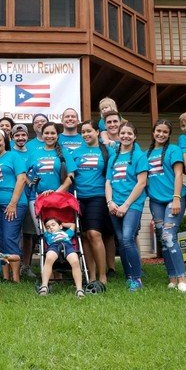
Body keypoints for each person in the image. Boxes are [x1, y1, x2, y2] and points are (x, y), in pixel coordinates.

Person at [146, 119, 186, 292]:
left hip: (174, 198)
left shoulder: (174, 150)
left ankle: (183, 278)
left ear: (169, 134)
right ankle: (172, 277)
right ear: (153, 132)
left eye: (165, 132)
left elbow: (179, 175)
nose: (161, 134)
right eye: (158, 131)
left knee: (169, 236)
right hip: (156, 201)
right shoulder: (147, 154)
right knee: (163, 240)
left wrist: (177, 198)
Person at [105, 122, 150, 291]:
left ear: (135, 136)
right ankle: (128, 275)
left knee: (127, 238)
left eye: (129, 133)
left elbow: (141, 183)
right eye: (123, 133)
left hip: (132, 204)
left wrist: (125, 205)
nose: (125, 136)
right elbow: (108, 182)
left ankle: (136, 278)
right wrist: (110, 202)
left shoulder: (139, 156)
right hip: (114, 204)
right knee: (121, 241)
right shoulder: (114, 157)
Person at [72, 120, 113, 285]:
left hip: (98, 196)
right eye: (83, 132)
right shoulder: (75, 152)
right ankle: (91, 276)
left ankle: (103, 276)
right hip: (78, 197)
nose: (86, 134)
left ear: (97, 132)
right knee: (84, 236)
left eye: (89, 131)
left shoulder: (107, 152)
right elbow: (69, 174)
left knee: (95, 234)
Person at [0, 128, 27, 282]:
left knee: (10, 237)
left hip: (13, 203)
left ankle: (16, 277)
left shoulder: (13, 156)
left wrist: (12, 203)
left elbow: (22, 179)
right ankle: (4, 276)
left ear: (5, 141)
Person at [26, 122, 77, 234]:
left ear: (58, 135)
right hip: (39, 199)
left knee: (60, 231)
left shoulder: (64, 153)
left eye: (53, 133)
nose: (49, 136)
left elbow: (70, 176)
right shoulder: (35, 153)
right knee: (43, 233)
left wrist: (55, 194)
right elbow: (22, 173)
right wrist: (30, 183)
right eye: (47, 133)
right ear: (42, 135)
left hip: (60, 200)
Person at [12, 123, 38, 279]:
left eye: (23, 135)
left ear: (27, 137)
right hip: (14, 199)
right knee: (13, 233)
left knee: (29, 234)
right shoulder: (9, 154)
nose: (20, 138)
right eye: (17, 135)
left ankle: (26, 266)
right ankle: (10, 265)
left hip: (31, 198)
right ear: (12, 137)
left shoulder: (34, 153)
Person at [37, 217, 84, 298]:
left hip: (68, 246)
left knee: (75, 261)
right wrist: (45, 224)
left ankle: (79, 289)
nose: (50, 227)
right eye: (48, 227)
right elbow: (42, 225)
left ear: (60, 226)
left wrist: (62, 224)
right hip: (53, 246)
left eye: (53, 225)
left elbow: (73, 225)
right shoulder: (48, 235)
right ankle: (44, 286)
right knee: (49, 258)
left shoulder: (67, 233)